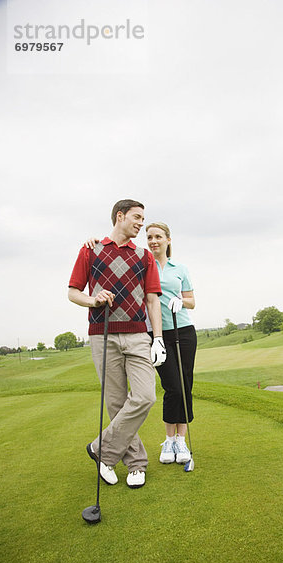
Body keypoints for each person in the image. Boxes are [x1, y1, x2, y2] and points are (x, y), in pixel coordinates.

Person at [68, 199, 166, 490]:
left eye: (143, 218)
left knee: (146, 396)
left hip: (137, 335)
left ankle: (102, 450)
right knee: (115, 402)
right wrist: (93, 299)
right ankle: (136, 464)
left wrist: (157, 338)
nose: (140, 223)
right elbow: (73, 292)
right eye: (136, 217)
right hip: (102, 334)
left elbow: (152, 300)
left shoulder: (144, 256)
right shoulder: (91, 250)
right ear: (120, 216)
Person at [145, 222, 197, 466]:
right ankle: (168, 439)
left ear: (168, 240)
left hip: (184, 331)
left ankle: (181, 441)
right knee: (172, 387)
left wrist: (180, 301)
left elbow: (192, 301)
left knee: (185, 386)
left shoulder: (180, 268)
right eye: (149, 237)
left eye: (158, 236)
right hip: (156, 334)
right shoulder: (144, 265)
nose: (153, 241)